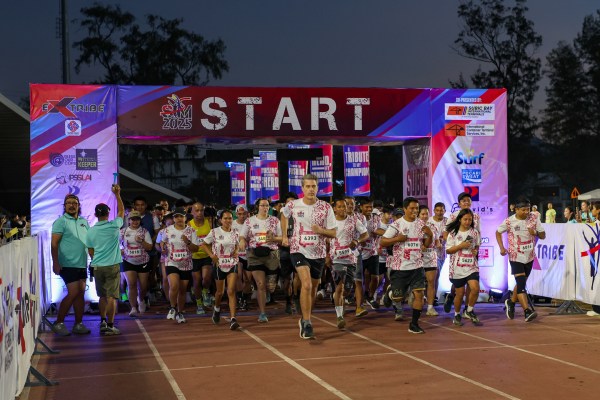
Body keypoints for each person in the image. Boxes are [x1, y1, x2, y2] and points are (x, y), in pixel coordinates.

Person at [281, 174, 337, 339]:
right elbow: (284, 215)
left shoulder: (325, 207)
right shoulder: (293, 205)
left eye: (313, 186)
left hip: (318, 253)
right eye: (308, 186)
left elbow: (333, 232)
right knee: (305, 284)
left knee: (312, 288)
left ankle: (305, 318)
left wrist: (321, 230)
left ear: (317, 188)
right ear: (302, 188)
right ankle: (307, 322)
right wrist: (284, 235)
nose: (311, 189)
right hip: (298, 249)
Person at [381, 197, 433, 334]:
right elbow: (383, 242)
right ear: (405, 209)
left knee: (419, 295)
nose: (415, 211)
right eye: (412, 208)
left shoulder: (421, 224)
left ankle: (414, 324)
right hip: (401, 268)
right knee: (399, 298)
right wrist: (397, 239)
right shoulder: (397, 224)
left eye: (417, 208)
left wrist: (430, 235)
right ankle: (390, 291)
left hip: (417, 267)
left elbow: (426, 245)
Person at [497, 197, 546, 322]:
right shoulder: (509, 221)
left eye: (528, 209)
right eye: (523, 210)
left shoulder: (534, 218)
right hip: (515, 256)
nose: (526, 212)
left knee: (521, 283)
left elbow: (543, 235)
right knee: (521, 283)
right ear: (516, 209)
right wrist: (502, 248)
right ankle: (526, 311)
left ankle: (511, 302)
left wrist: (535, 232)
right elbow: (498, 232)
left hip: (529, 256)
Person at [50, 194, 91, 336]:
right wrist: (56, 262)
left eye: (74, 203)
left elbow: (89, 242)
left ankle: (78, 324)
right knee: (74, 292)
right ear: (64, 206)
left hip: (82, 264)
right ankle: (58, 323)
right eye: (68, 203)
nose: (71, 205)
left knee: (80, 294)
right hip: (66, 264)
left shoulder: (84, 222)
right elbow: (54, 244)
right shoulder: (60, 222)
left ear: (79, 206)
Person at [87, 185, 125, 335]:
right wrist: (117, 194)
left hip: (97, 266)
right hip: (112, 266)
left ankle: (103, 321)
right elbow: (121, 211)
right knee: (111, 297)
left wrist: (96, 259)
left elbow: (90, 250)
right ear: (108, 213)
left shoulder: (91, 231)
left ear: (95, 215)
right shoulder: (114, 225)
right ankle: (110, 325)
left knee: (102, 296)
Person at [326, 198, 368, 329]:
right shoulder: (330, 222)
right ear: (334, 208)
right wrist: (327, 255)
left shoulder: (354, 220)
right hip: (336, 258)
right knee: (340, 286)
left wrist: (357, 241)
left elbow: (365, 234)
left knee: (348, 289)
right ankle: (339, 316)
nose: (343, 209)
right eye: (339, 206)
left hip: (350, 258)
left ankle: (339, 297)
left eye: (344, 206)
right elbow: (325, 239)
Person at [201, 210, 244, 330]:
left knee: (231, 291)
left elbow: (237, 244)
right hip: (219, 264)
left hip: (232, 263)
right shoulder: (214, 232)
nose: (228, 220)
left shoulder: (235, 232)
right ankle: (217, 308)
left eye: (230, 218)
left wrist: (236, 251)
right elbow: (203, 244)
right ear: (220, 220)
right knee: (219, 292)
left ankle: (233, 319)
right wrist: (211, 255)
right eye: (225, 218)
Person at [244, 198, 282, 323]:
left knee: (271, 287)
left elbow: (282, 238)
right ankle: (262, 313)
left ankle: (268, 292)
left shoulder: (275, 220)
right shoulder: (249, 221)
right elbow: (242, 236)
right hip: (255, 255)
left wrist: (274, 238)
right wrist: (242, 241)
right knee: (261, 284)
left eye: (267, 205)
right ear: (257, 207)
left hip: (271, 254)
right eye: (262, 205)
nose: (265, 207)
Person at [161, 207, 200, 323]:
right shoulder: (168, 230)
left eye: (181, 216)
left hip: (186, 263)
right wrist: (163, 247)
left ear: (185, 218)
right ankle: (172, 308)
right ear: (173, 218)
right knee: (174, 285)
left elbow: (196, 249)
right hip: (171, 262)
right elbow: (162, 241)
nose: (179, 219)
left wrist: (187, 241)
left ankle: (180, 312)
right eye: (176, 216)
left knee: (182, 290)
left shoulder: (191, 231)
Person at [443, 192, 480, 313]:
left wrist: (476, 249)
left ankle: (467, 308)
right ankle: (451, 296)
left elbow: (478, 234)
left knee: (472, 282)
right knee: (459, 283)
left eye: (468, 200)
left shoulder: (476, 216)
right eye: (464, 201)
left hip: (471, 253)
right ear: (459, 203)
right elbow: (446, 233)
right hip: (457, 253)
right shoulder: (453, 216)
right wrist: (456, 245)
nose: (466, 202)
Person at [120, 210, 154, 317]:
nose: (135, 222)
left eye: (137, 219)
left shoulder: (144, 232)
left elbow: (149, 247)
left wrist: (142, 241)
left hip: (143, 262)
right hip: (128, 261)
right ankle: (133, 307)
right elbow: (116, 245)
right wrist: (120, 250)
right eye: (132, 219)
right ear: (129, 220)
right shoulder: (123, 232)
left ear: (140, 220)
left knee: (143, 286)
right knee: (131, 284)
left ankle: (141, 299)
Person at [188, 202, 214, 314]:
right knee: (197, 280)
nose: (199, 213)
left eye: (201, 210)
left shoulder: (210, 222)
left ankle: (205, 292)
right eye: (197, 210)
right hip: (194, 257)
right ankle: (199, 304)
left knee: (206, 278)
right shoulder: (189, 225)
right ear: (192, 212)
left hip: (206, 255)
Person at [418, 205, 440, 316]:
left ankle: (430, 307)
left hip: (431, 257)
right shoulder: (415, 226)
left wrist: (439, 244)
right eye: (422, 214)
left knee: (431, 282)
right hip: (417, 258)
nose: (425, 216)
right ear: (418, 215)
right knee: (418, 283)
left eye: (426, 213)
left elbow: (437, 240)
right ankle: (417, 303)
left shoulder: (433, 226)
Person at [429, 202, 447, 306]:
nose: (439, 212)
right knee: (431, 276)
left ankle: (434, 296)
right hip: (428, 252)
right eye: (437, 210)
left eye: (441, 210)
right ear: (434, 211)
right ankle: (429, 296)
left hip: (441, 253)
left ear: (445, 211)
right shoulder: (429, 221)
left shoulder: (447, 221)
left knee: (437, 275)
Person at [587, 202, 600, 317]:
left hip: (597, 258)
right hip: (596, 257)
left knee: (596, 282)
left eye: (593, 209)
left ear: (598, 210)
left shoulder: (597, 224)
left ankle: (597, 309)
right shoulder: (595, 223)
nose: (592, 211)